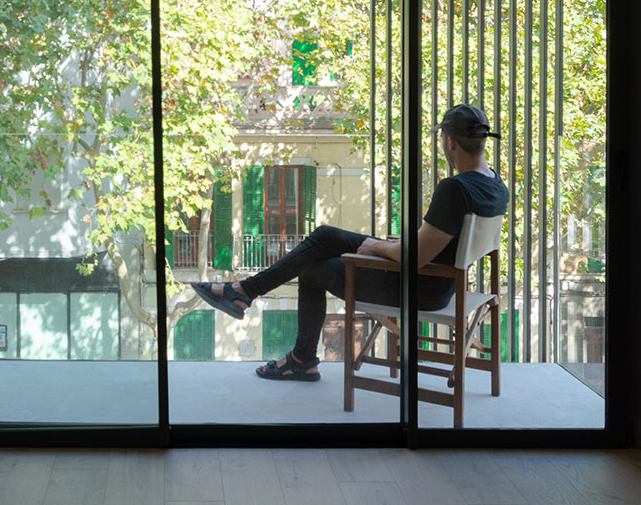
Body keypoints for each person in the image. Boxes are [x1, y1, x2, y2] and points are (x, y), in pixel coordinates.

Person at [190, 104, 509, 382]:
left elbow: (414, 258)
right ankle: (245, 293)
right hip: (440, 283)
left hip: (420, 288)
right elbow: (436, 243)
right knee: (325, 236)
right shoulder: (496, 185)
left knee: (312, 269)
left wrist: (376, 246)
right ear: (481, 141)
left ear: (450, 142)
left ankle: (296, 353)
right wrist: (388, 245)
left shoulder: (455, 189)